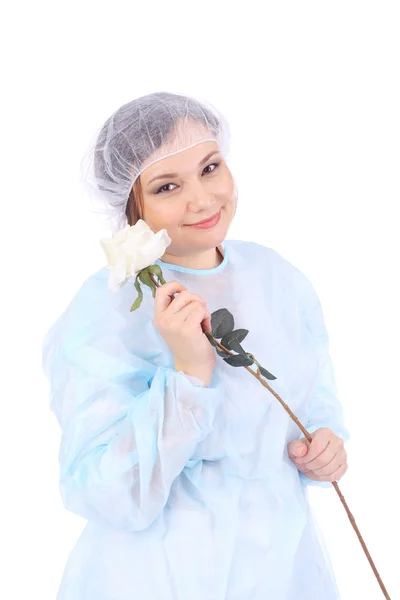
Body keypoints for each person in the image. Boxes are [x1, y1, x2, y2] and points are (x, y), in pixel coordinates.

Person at [42, 91, 350, 599]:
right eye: (167, 186)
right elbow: (106, 491)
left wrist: (324, 448)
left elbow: (313, 404)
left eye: (210, 168)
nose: (203, 199)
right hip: (159, 575)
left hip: (280, 566)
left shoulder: (276, 277)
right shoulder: (106, 311)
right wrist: (188, 375)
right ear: (130, 207)